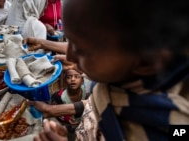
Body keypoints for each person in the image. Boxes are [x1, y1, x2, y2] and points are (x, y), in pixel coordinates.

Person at [33, 0, 189, 141]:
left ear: (144, 63)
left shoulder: (169, 126)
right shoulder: (126, 70)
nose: (69, 57)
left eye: (81, 51)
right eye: (70, 42)